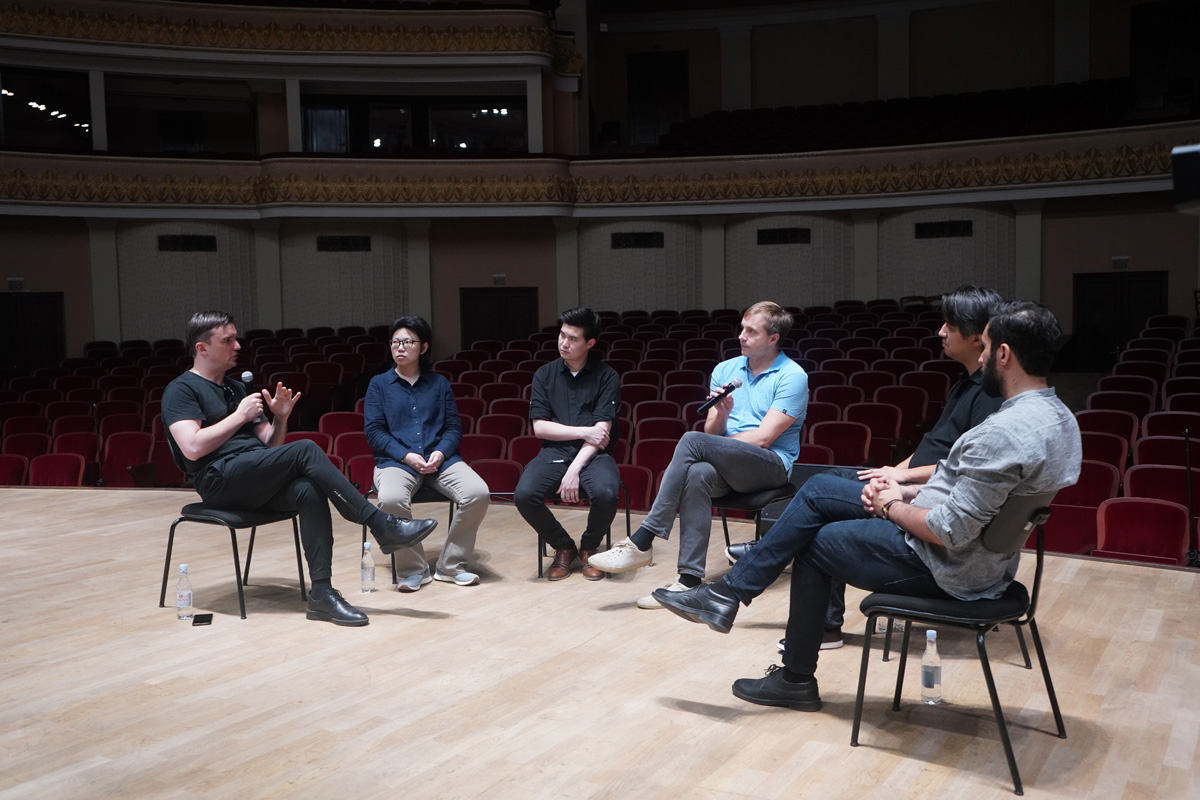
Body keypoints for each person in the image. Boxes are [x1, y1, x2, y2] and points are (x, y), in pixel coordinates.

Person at [655, 300, 1082, 712]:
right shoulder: (1060, 419)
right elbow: (971, 496)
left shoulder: (1001, 432)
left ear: (1003, 355)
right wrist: (905, 491)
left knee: (816, 537)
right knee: (820, 494)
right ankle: (735, 601)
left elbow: (950, 530)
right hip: (985, 561)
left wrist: (890, 505)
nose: (981, 356)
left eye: (986, 348)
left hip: (946, 564)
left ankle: (787, 668)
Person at [724, 285, 1004, 650]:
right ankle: (808, 609)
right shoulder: (965, 382)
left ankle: (753, 576)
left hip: (925, 500)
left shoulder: (988, 394)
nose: (940, 332)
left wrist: (902, 478)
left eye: (948, 326)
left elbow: (960, 468)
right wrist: (892, 470)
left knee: (819, 491)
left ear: (976, 336)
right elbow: (932, 447)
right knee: (827, 482)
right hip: (913, 485)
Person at [162, 311, 438, 626]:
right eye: (228, 340)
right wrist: (239, 416)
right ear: (202, 348)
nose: (237, 345)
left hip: (252, 475)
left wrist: (280, 418)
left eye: (236, 338)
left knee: (307, 490)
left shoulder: (237, 388)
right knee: (305, 448)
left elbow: (271, 447)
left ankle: (321, 593)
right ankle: (380, 524)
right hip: (218, 480)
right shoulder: (181, 390)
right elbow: (192, 446)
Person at [589, 301, 808, 608]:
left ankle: (643, 538)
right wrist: (722, 413)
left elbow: (764, 438)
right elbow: (712, 433)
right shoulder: (725, 370)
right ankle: (689, 581)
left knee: (692, 441)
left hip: (770, 465)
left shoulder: (792, 376)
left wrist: (719, 446)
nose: (741, 336)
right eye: (742, 328)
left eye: (751, 331)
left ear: (773, 338)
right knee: (697, 472)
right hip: (728, 463)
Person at [365, 315, 490, 591]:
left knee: (478, 493)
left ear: (423, 347)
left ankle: (451, 566)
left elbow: (454, 428)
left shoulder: (439, 384)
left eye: (407, 342)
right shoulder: (379, 384)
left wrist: (441, 453)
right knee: (390, 499)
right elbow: (374, 432)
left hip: (440, 460)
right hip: (397, 462)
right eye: (395, 342)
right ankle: (414, 569)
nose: (400, 347)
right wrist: (406, 456)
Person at [514, 307, 621, 581]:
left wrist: (574, 470)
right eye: (562, 335)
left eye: (573, 338)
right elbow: (540, 428)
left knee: (607, 493)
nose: (564, 343)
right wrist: (584, 431)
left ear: (590, 343)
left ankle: (589, 547)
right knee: (524, 495)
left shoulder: (607, 376)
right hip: (553, 452)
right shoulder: (544, 374)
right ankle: (564, 546)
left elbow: (601, 435)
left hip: (594, 455)